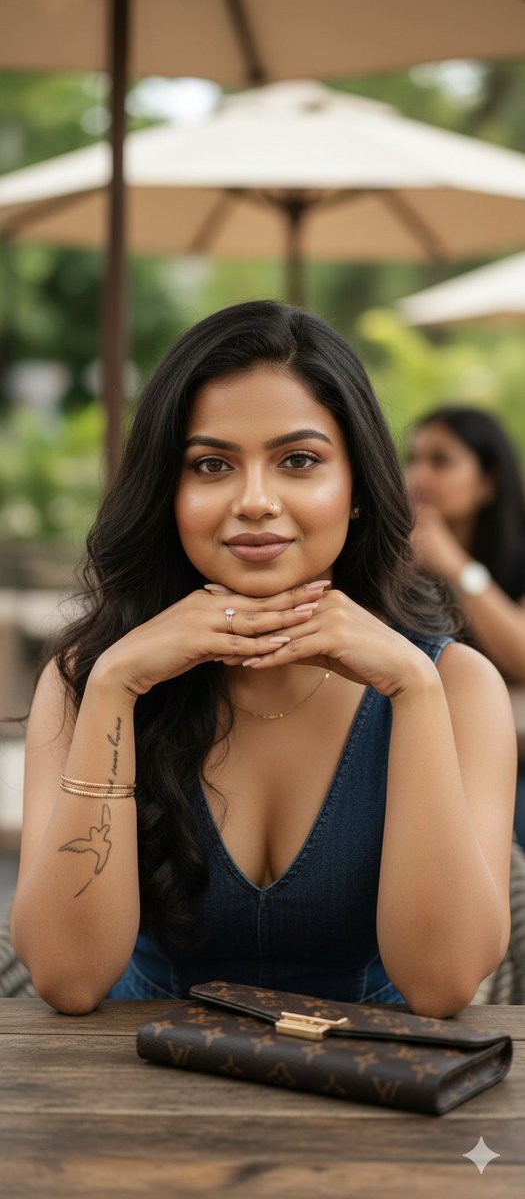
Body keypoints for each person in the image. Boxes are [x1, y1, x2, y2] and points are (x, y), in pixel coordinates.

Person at [9, 301, 516, 1018]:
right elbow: (67, 978)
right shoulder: (86, 680)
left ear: (358, 490)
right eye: (211, 464)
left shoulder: (456, 685)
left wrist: (412, 689)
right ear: (167, 492)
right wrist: (116, 686)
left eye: (298, 461)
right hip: (131, 1101)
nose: (254, 501)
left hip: (373, 1110)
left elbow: (440, 986)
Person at [405, 406, 525, 850]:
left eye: (441, 461)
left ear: (488, 481)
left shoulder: (515, 555)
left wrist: (457, 567)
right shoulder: (396, 558)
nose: (418, 475)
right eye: (412, 458)